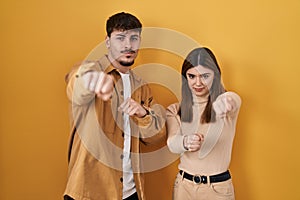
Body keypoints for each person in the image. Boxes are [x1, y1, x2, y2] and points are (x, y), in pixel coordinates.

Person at [64, 12, 166, 200]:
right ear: (108, 41)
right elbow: (75, 84)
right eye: (120, 38)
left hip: (131, 192)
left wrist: (143, 114)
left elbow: (155, 136)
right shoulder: (92, 70)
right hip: (89, 193)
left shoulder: (142, 87)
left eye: (134, 38)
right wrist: (91, 81)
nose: (128, 45)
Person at [166, 47, 241, 199]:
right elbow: (172, 142)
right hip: (183, 188)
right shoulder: (175, 110)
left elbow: (234, 99)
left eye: (205, 76)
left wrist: (225, 101)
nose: (198, 83)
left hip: (217, 190)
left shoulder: (226, 104)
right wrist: (186, 141)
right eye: (191, 76)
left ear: (215, 75)